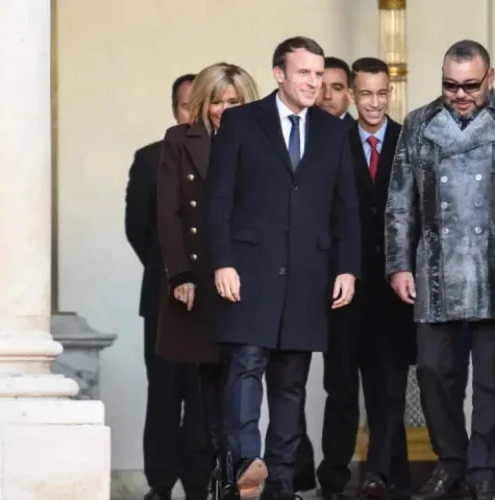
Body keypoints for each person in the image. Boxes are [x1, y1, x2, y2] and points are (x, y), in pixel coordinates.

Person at [205, 36, 361, 500]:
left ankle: (280, 483)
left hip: (308, 277)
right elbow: (218, 199)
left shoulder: (334, 131)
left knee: (292, 385)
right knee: (245, 370)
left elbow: (346, 207)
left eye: (319, 75)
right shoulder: (241, 122)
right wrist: (223, 262)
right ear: (279, 74)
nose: (314, 82)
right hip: (248, 272)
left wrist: (347, 268)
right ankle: (244, 472)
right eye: (304, 74)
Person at [385, 40, 495, 500]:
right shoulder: (418, 122)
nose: (460, 93)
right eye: (451, 85)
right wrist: (397, 264)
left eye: (470, 85)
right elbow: (399, 201)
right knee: (432, 372)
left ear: (490, 78)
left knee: (493, 381)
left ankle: (487, 469)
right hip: (435, 268)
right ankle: (452, 462)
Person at [156, 63, 261, 500]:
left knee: (246, 379)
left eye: (233, 101)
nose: (223, 109)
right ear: (202, 102)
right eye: (216, 101)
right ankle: (223, 482)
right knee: (211, 385)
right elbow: (170, 212)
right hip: (200, 281)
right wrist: (180, 273)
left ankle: (245, 473)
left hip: (247, 278)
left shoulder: (262, 140)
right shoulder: (180, 140)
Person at [316, 57, 415, 500]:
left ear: (388, 94)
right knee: (339, 387)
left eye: (381, 94)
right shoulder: (331, 139)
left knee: (388, 388)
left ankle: (382, 475)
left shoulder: (408, 140)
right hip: (343, 287)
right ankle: (333, 480)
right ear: (351, 95)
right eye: (365, 94)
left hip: (394, 291)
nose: (373, 104)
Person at [125, 72, 208, 500]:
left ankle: (198, 484)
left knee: (201, 398)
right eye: (184, 106)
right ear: (173, 109)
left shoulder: (223, 154)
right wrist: (171, 273)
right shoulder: (148, 159)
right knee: (162, 394)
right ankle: (159, 483)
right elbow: (137, 230)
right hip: (161, 300)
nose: (192, 114)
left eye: (201, 104)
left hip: (211, 305)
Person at [295, 54, 355, 495]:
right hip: (296, 276)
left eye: (336, 86)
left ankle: (335, 474)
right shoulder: (291, 131)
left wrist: (348, 270)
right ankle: (295, 469)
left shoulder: (348, 136)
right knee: (288, 379)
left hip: (342, 282)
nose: (326, 92)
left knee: (341, 385)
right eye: (320, 83)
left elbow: (351, 211)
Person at [316, 56, 355, 121]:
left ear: (351, 95)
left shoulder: (358, 131)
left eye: (337, 88)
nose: (327, 96)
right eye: (320, 87)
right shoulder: (297, 127)